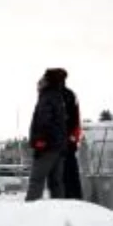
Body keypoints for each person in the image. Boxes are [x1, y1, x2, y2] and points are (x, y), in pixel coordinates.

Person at [26, 69, 70, 201]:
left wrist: (40, 142)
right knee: (56, 183)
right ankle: (60, 212)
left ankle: (28, 212)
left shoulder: (47, 97)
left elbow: (44, 121)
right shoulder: (58, 97)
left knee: (36, 180)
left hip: (47, 146)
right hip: (59, 147)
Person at [44, 68, 84, 200]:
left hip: (58, 145)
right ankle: (73, 201)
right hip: (65, 143)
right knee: (70, 176)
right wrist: (73, 138)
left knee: (60, 177)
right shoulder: (70, 94)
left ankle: (63, 202)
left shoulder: (51, 95)